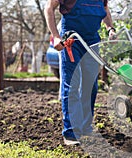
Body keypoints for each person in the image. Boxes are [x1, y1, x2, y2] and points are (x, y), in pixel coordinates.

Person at [44, 0, 116, 145]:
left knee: (91, 86)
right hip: (71, 39)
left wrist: (110, 28)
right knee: (71, 85)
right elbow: (49, 8)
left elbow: (104, 9)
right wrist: (56, 36)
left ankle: (85, 128)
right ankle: (71, 132)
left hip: (92, 40)